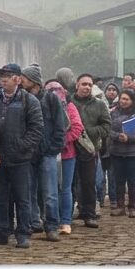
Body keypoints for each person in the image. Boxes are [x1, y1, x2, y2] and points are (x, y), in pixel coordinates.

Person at [0, 63, 42, 248]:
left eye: (8, 75)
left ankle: (23, 233)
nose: (3, 78)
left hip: (20, 159)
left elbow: (36, 129)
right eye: (2, 75)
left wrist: (22, 146)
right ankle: (2, 231)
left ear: (18, 79)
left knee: (22, 198)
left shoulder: (29, 101)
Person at [20, 65, 66, 241]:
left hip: (47, 153)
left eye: (24, 77)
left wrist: (53, 149)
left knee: (50, 193)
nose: (21, 80)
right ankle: (33, 222)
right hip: (28, 153)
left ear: (32, 80)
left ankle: (52, 225)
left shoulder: (51, 99)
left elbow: (60, 126)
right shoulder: (22, 99)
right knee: (29, 191)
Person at [69, 73, 111, 229]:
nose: (87, 87)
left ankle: (90, 214)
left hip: (89, 149)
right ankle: (68, 214)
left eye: (89, 84)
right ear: (77, 85)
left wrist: (87, 132)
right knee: (69, 184)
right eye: (84, 84)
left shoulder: (99, 105)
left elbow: (107, 126)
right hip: (70, 149)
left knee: (88, 182)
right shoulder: (69, 102)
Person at [45, 80, 83, 237]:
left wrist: (59, 140)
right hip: (49, 154)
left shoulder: (70, 107)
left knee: (65, 188)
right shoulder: (43, 106)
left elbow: (77, 128)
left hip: (67, 154)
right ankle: (51, 219)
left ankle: (65, 220)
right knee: (50, 189)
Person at [108, 88, 135, 218]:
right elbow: (108, 129)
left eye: (127, 99)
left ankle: (132, 206)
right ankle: (120, 206)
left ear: (132, 101)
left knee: (133, 180)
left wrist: (130, 138)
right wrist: (117, 136)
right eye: (122, 99)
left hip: (134, 153)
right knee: (119, 180)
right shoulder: (113, 113)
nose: (124, 101)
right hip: (117, 151)